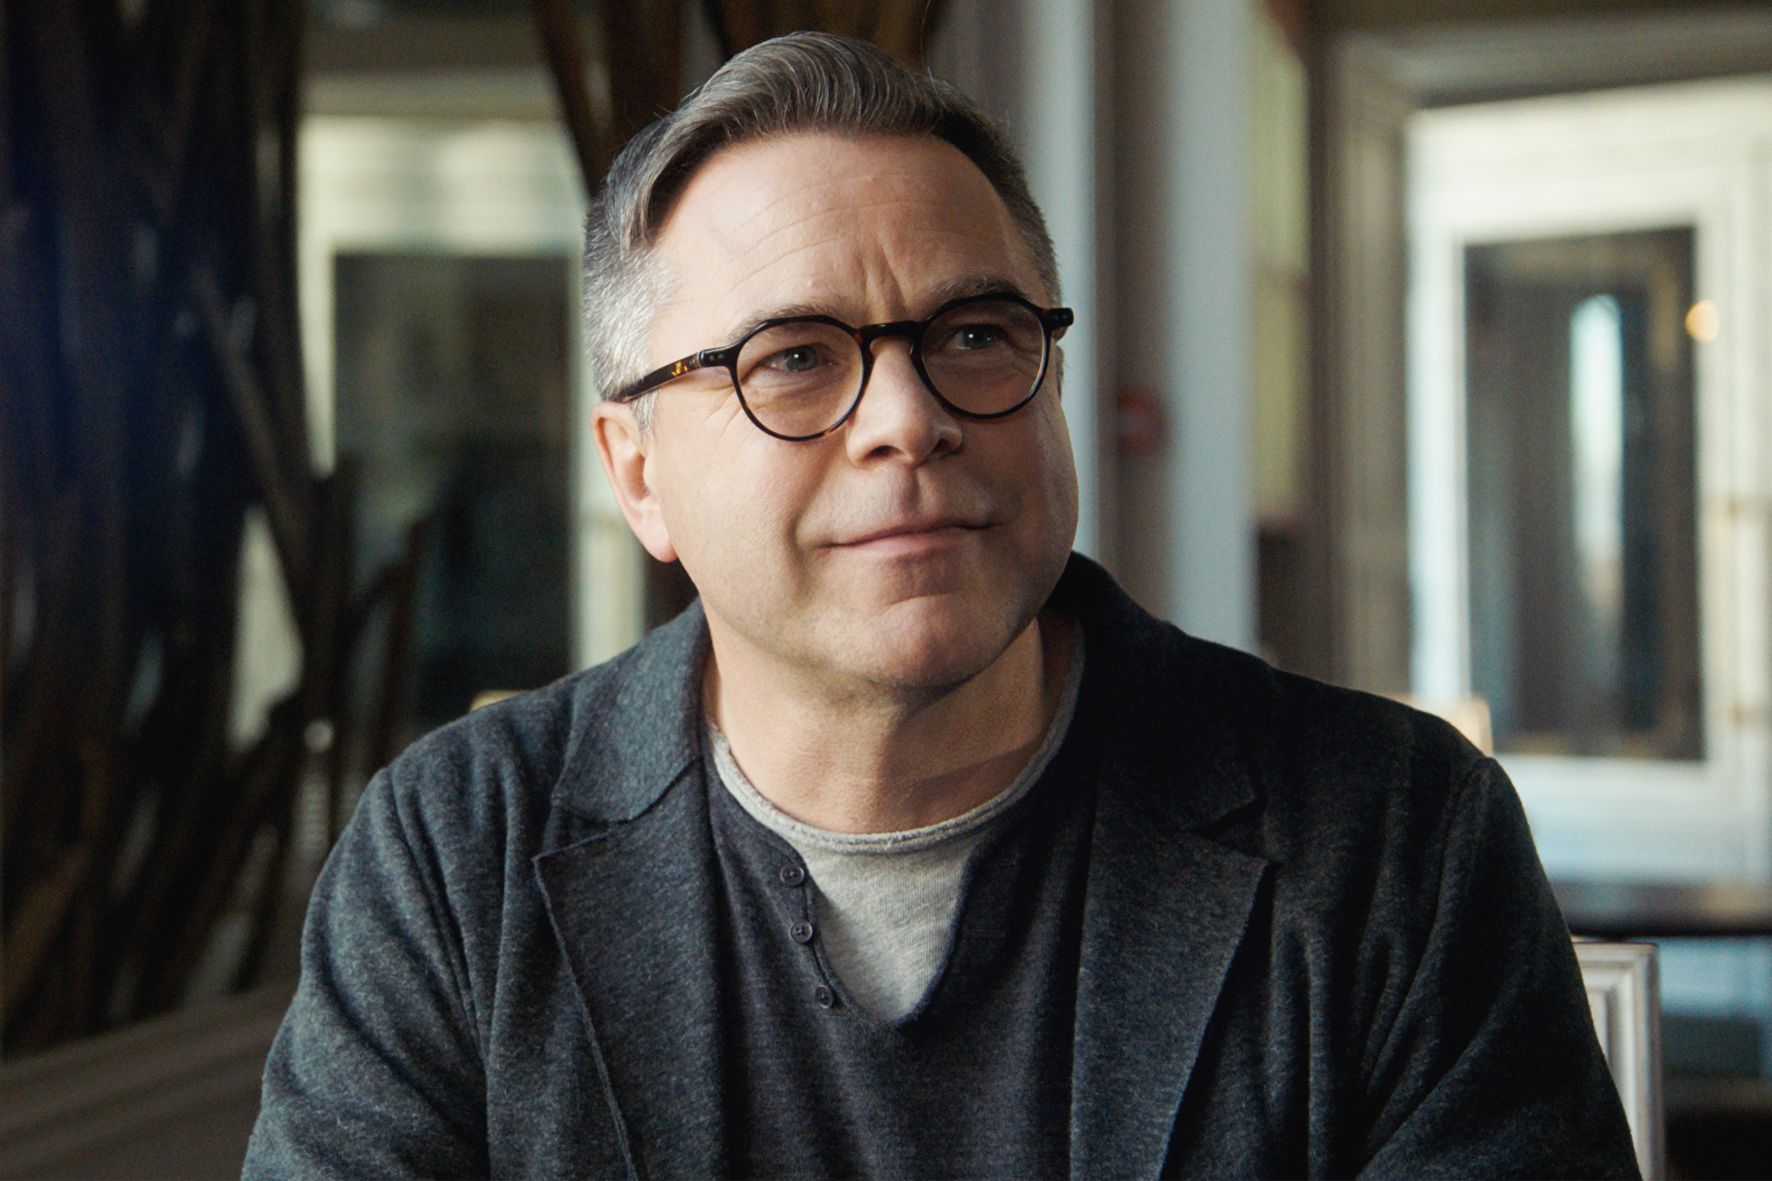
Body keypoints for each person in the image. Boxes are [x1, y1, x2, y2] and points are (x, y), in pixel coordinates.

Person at [245, 31, 1639, 1180]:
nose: (908, 419)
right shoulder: (455, 859)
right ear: (639, 473)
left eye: (976, 335)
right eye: (795, 357)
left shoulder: (1395, 841)